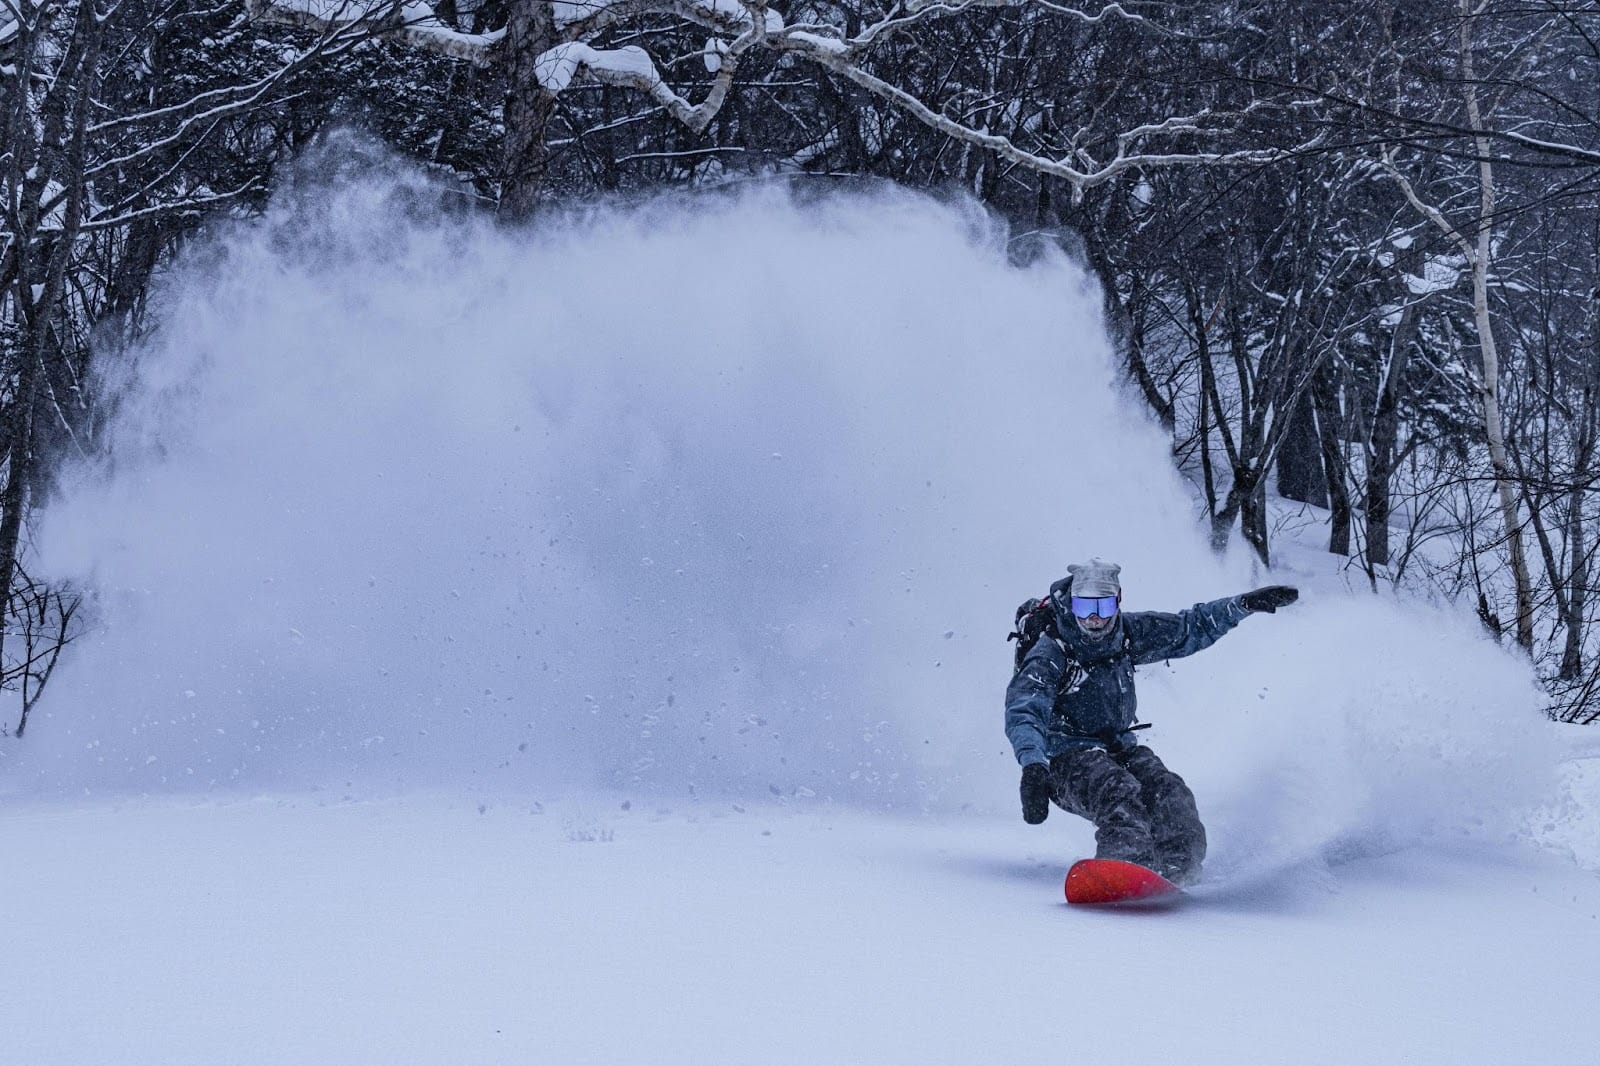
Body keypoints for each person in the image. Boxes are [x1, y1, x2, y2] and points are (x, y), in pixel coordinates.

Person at [1004, 559, 1299, 885]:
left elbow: (1190, 628)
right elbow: (1024, 709)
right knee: (1118, 791)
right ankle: (1122, 869)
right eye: (1084, 606)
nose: (1093, 618)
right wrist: (1033, 767)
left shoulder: (1126, 633)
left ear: (1118, 601)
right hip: (1062, 759)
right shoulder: (1053, 651)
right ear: (1071, 604)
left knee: (1170, 792)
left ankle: (1177, 871)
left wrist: (1242, 605)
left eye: (1103, 607)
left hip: (1116, 747)